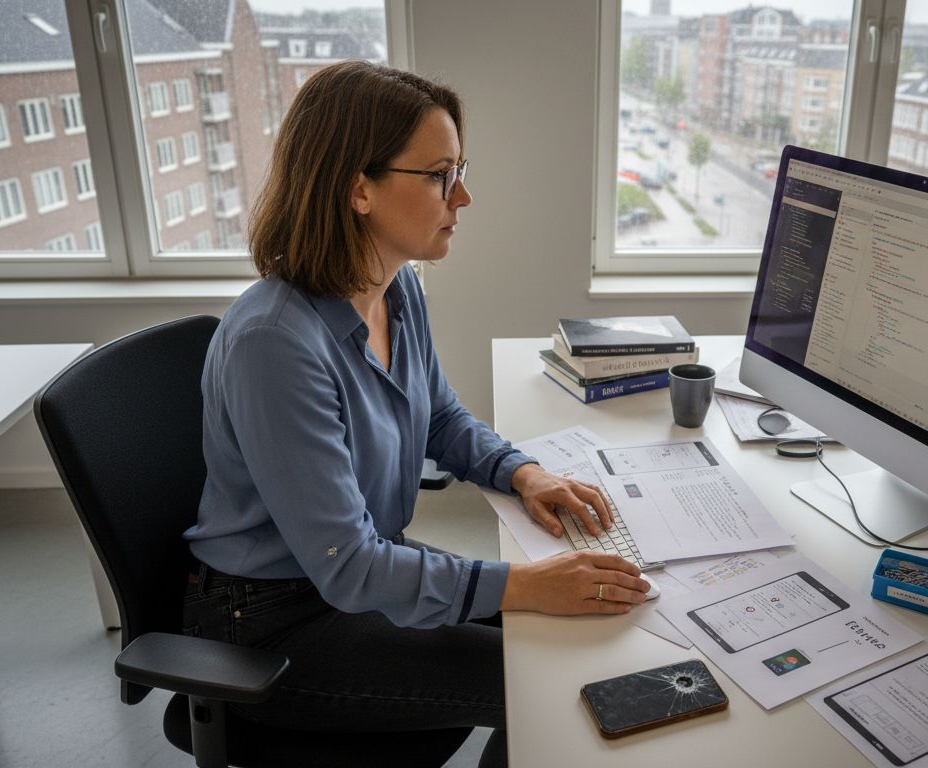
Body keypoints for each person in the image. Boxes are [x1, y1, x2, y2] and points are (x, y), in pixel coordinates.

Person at [180, 61, 650, 766]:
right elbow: (351, 569)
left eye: (460, 170)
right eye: (438, 175)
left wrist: (522, 473)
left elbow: (438, 417)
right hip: (273, 624)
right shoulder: (274, 344)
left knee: (564, 640)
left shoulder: (397, 289)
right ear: (358, 189)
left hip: (359, 573)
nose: (463, 195)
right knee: (545, 682)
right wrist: (527, 585)